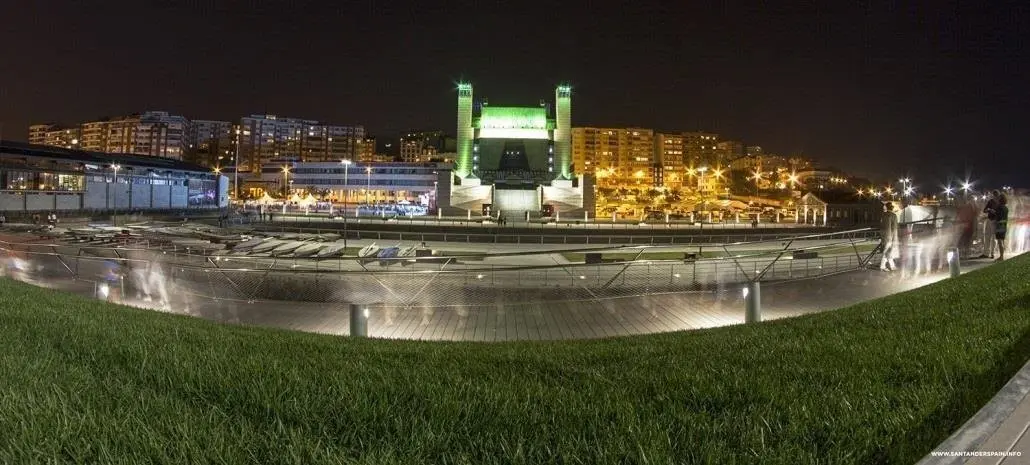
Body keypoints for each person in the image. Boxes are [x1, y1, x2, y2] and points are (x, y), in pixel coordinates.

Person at [879, 202, 900, 271]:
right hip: (890, 237)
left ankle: (892, 266)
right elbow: (894, 228)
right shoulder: (893, 216)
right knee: (887, 252)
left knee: (888, 251)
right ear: (892, 208)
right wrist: (894, 239)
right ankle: (882, 266)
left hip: (884, 236)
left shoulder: (883, 215)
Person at [982, 190, 1000, 258]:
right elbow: (984, 210)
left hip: (995, 221)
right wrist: (989, 210)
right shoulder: (990, 201)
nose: (994, 196)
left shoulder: (1000, 202)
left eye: (996, 195)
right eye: (994, 195)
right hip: (989, 220)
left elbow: (1001, 212)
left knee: (994, 238)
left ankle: (992, 253)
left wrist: (995, 212)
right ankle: (986, 253)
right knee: (987, 237)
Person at [994, 194, 1009, 260]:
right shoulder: (1006, 208)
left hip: (999, 225)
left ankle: (1001, 257)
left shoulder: (999, 207)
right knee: (1002, 240)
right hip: (1004, 224)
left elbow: (998, 215)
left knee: (1000, 241)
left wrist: (994, 212)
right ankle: (1002, 256)